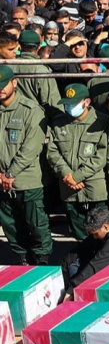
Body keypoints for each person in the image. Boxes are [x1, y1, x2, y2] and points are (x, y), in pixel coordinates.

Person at [45, 83, 109, 244]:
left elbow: (102, 155)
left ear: (87, 102)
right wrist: (67, 174)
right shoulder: (59, 123)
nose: (69, 107)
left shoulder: (102, 122)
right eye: (67, 104)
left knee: (102, 230)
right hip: (68, 187)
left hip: (94, 187)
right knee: (78, 231)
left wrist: (77, 176)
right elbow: (52, 152)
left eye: (73, 104)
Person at [0, 64, 51, 266]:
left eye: (4, 84)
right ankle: (22, 258)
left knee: (36, 223)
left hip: (27, 180)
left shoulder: (31, 110)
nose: (0, 89)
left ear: (15, 83)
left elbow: (31, 147)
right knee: (10, 224)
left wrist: (10, 173)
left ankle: (43, 259)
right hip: (2, 181)